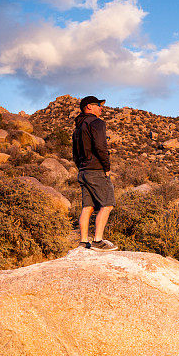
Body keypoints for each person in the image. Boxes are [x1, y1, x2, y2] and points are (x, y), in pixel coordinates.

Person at [72, 95, 118, 251]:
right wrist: (106, 167)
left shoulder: (78, 127)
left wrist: (81, 166)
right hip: (96, 170)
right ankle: (98, 241)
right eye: (98, 104)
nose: (101, 107)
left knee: (88, 207)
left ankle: (84, 241)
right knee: (107, 204)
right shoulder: (96, 123)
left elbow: (75, 153)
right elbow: (100, 146)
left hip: (83, 171)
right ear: (89, 107)